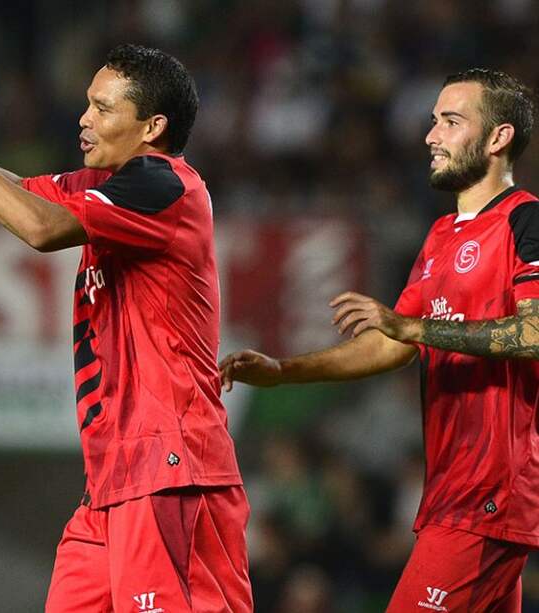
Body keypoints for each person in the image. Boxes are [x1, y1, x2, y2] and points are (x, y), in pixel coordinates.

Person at [0, 44, 253, 612]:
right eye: (86, 105)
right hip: (111, 484)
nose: (83, 118)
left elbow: (40, 229)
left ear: (153, 126)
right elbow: (13, 193)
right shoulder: (111, 189)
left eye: (102, 108)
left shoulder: (164, 184)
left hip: (170, 471)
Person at [221, 68, 539, 612]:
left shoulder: (525, 220)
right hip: (453, 495)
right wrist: (283, 370)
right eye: (435, 120)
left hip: (487, 494)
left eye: (451, 121)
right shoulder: (442, 237)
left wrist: (411, 327)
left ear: (498, 138)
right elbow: (391, 344)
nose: (430, 136)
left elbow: (533, 333)